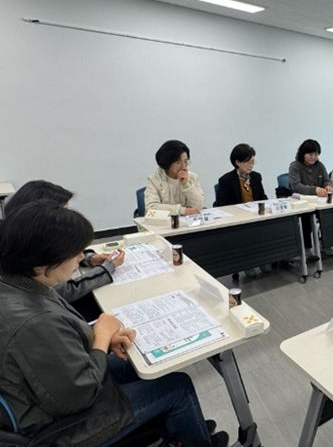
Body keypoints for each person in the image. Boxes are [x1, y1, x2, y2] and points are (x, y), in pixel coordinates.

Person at [0, 201, 227, 446]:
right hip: (56, 426)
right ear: (41, 264)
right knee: (177, 386)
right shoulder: (33, 321)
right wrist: (100, 337)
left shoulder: (17, 283)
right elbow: (80, 395)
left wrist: (101, 336)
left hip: (48, 390)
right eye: (74, 253)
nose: (81, 257)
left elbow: (56, 343)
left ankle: (184, 428)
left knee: (138, 363)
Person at [3, 180, 125, 321]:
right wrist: (107, 268)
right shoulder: (35, 287)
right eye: (62, 211)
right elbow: (66, 290)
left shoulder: (17, 240)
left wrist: (87, 258)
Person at [214, 144, 271, 277]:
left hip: (256, 216)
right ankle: (248, 263)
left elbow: (262, 197)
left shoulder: (256, 177)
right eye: (247, 162)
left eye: (252, 162)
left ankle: (263, 259)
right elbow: (222, 205)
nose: (251, 165)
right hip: (238, 220)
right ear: (237, 162)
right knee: (246, 232)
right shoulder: (226, 180)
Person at [288, 139, 333, 256]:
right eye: (310, 154)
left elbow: (326, 179)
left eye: (316, 154)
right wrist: (314, 190)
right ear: (303, 153)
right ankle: (307, 248)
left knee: (330, 214)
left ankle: (325, 243)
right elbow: (296, 186)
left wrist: (328, 186)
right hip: (302, 203)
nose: (313, 157)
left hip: (319, 202)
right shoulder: (295, 166)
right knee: (306, 218)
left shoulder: (320, 165)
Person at [145, 140, 204, 216]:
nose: (183, 167)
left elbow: (199, 206)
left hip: (187, 221)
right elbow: (151, 208)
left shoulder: (192, 177)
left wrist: (186, 185)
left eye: (186, 161)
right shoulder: (154, 180)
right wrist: (182, 210)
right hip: (165, 222)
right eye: (178, 163)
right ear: (167, 163)